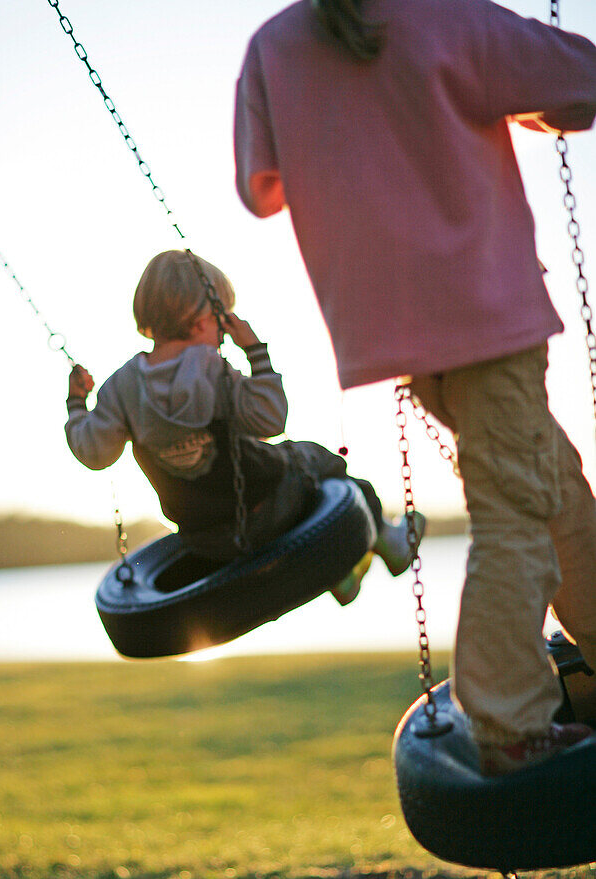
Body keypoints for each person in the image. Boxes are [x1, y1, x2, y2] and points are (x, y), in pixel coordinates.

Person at [234, 0, 596, 775]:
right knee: (518, 511)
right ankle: (507, 723)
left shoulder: (275, 47)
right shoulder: (445, 16)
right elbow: (579, 86)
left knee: (550, 487)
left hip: (395, 332)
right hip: (487, 314)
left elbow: (258, 187)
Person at [65, 249, 424, 604]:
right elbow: (271, 420)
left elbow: (94, 453)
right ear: (198, 322)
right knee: (321, 462)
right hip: (269, 505)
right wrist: (254, 350)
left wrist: (77, 402)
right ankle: (390, 543)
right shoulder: (210, 368)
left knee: (298, 464)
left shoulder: (119, 388)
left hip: (203, 538)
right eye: (222, 318)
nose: (225, 331)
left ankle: (342, 577)